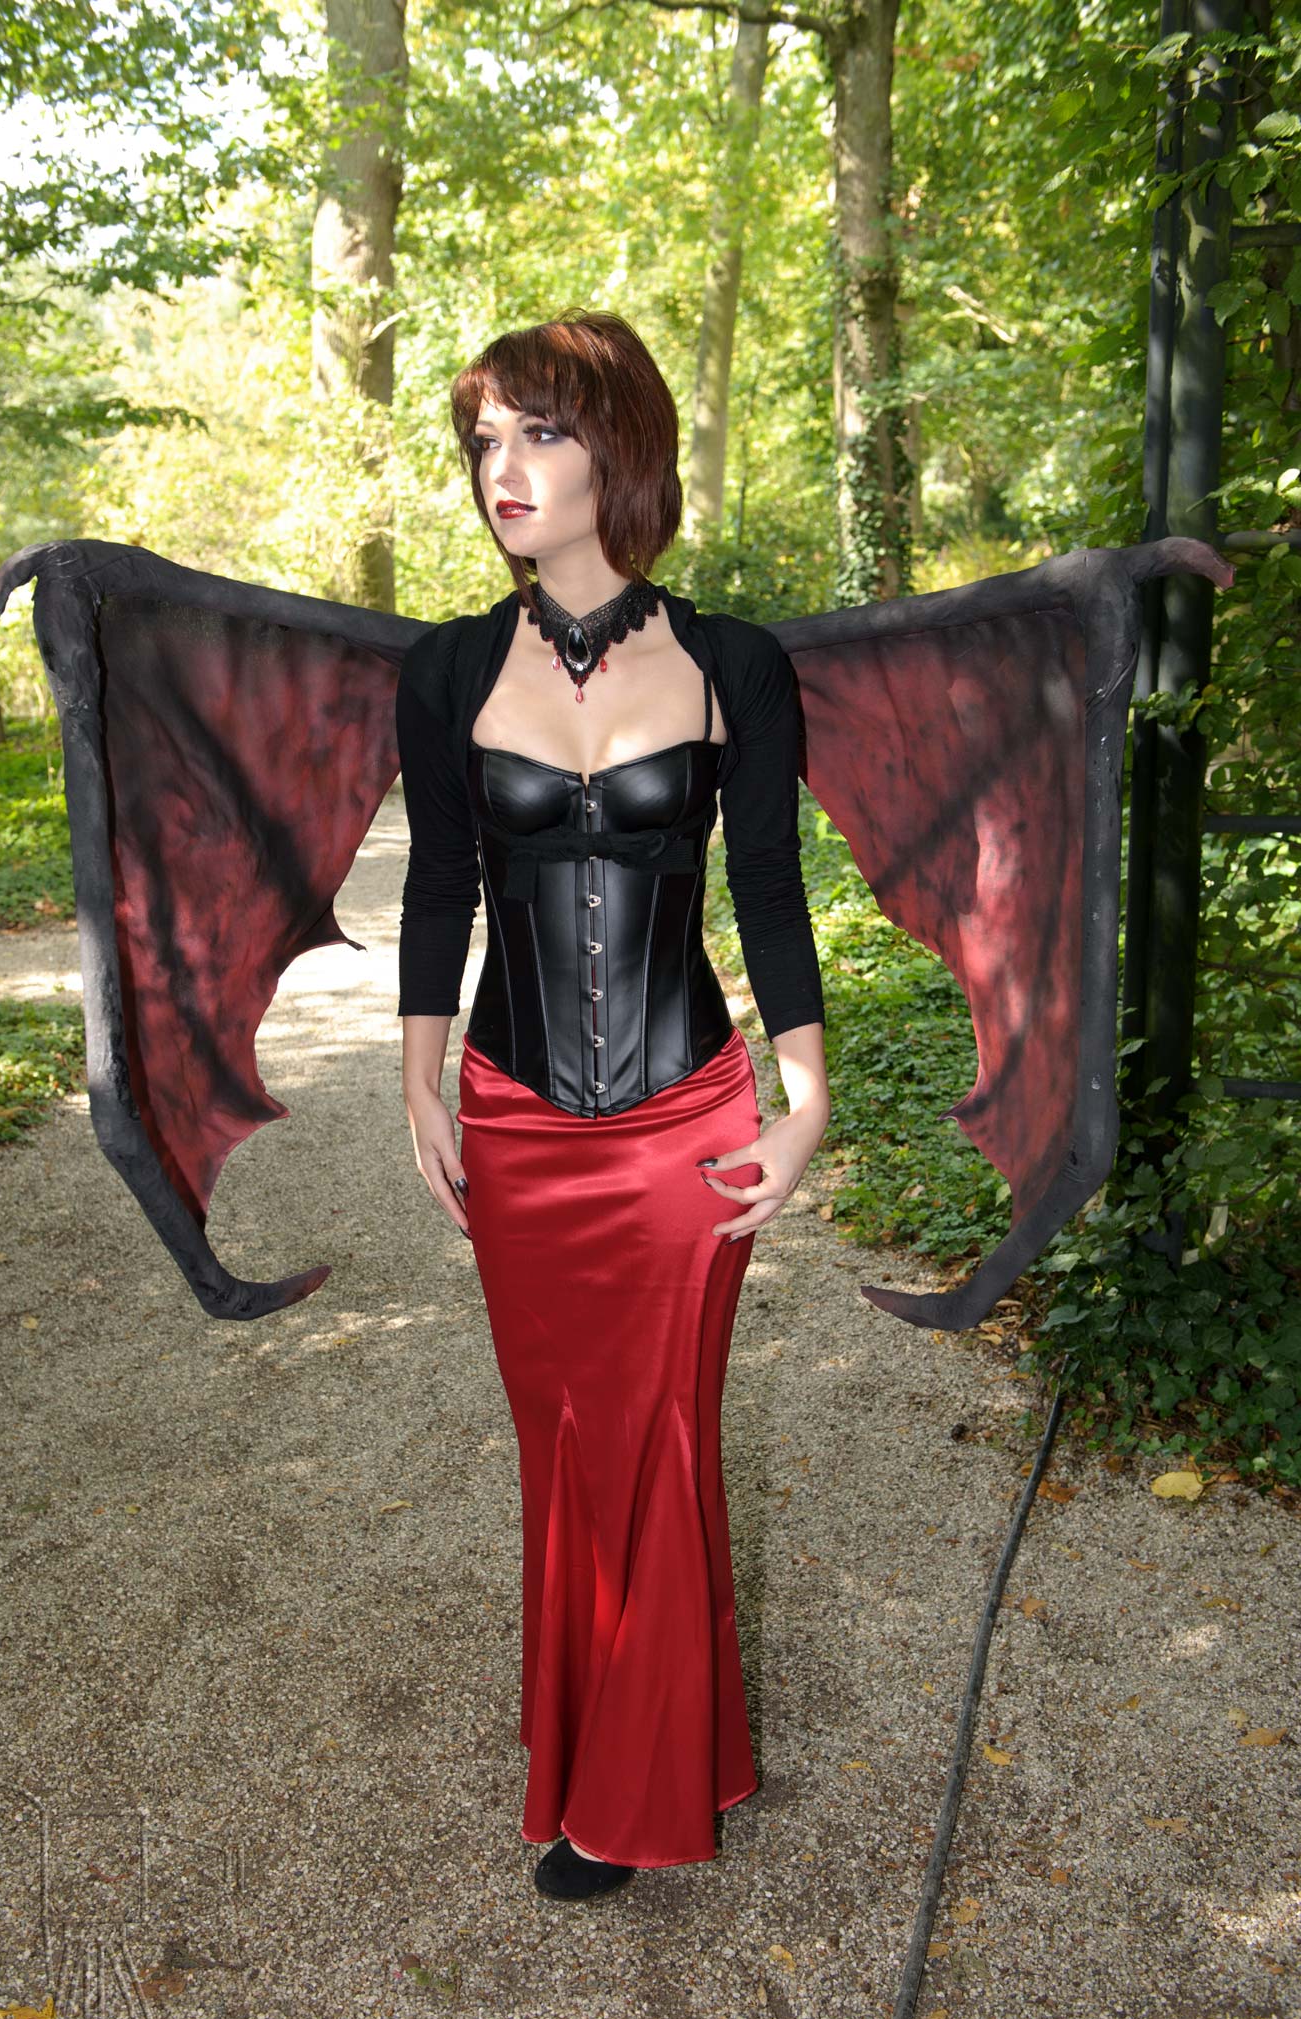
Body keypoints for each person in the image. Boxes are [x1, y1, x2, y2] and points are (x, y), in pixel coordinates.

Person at [394, 309, 830, 1901]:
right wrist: (420, 1076)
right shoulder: (448, 668)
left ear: (619, 447)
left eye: (540, 433)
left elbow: (767, 886)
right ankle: (635, 1750)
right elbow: (442, 884)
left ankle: (631, 1795)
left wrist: (805, 1098)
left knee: (663, 1435)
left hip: (685, 1115)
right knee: (562, 1441)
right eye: (484, 441)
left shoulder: (733, 664)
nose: (503, 469)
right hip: (516, 1112)